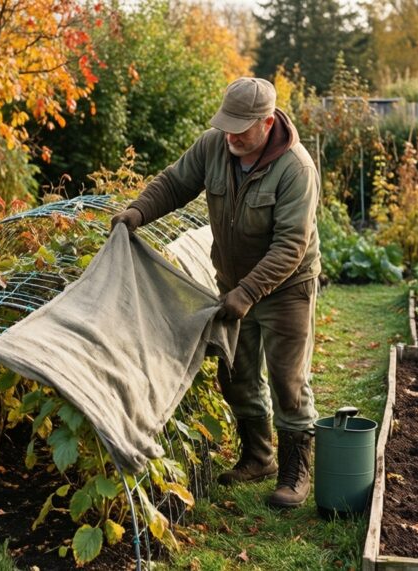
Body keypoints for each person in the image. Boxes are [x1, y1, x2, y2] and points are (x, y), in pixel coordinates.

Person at [110, 77, 321, 508]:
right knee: (235, 372)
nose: (232, 135)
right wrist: (136, 212)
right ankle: (257, 456)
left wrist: (247, 292)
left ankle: (294, 470)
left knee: (288, 379)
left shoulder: (295, 169)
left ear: (267, 122)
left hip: (286, 288)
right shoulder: (214, 146)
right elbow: (174, 184)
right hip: (232, 282)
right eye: (227, 124)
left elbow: (290, 246)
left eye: (242, 126)